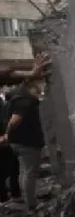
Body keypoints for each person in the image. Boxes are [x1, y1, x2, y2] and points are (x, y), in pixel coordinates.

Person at [2, 78, 45, 209]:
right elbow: (15, 121)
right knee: (30, 173)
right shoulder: (24, 100)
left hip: (19, 142)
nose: (41, 90)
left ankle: (27, 199)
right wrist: (7, 134)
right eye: (40, 86)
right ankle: (31, 204)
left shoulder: (15, 99)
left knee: (24, 172)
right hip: (28, 142)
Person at [0, 87, 21, 205]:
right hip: (4, 140)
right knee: (8, 169)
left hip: (6, 140)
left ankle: (13, 194)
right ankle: (6, 195)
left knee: (13, 167)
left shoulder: (3, 104)